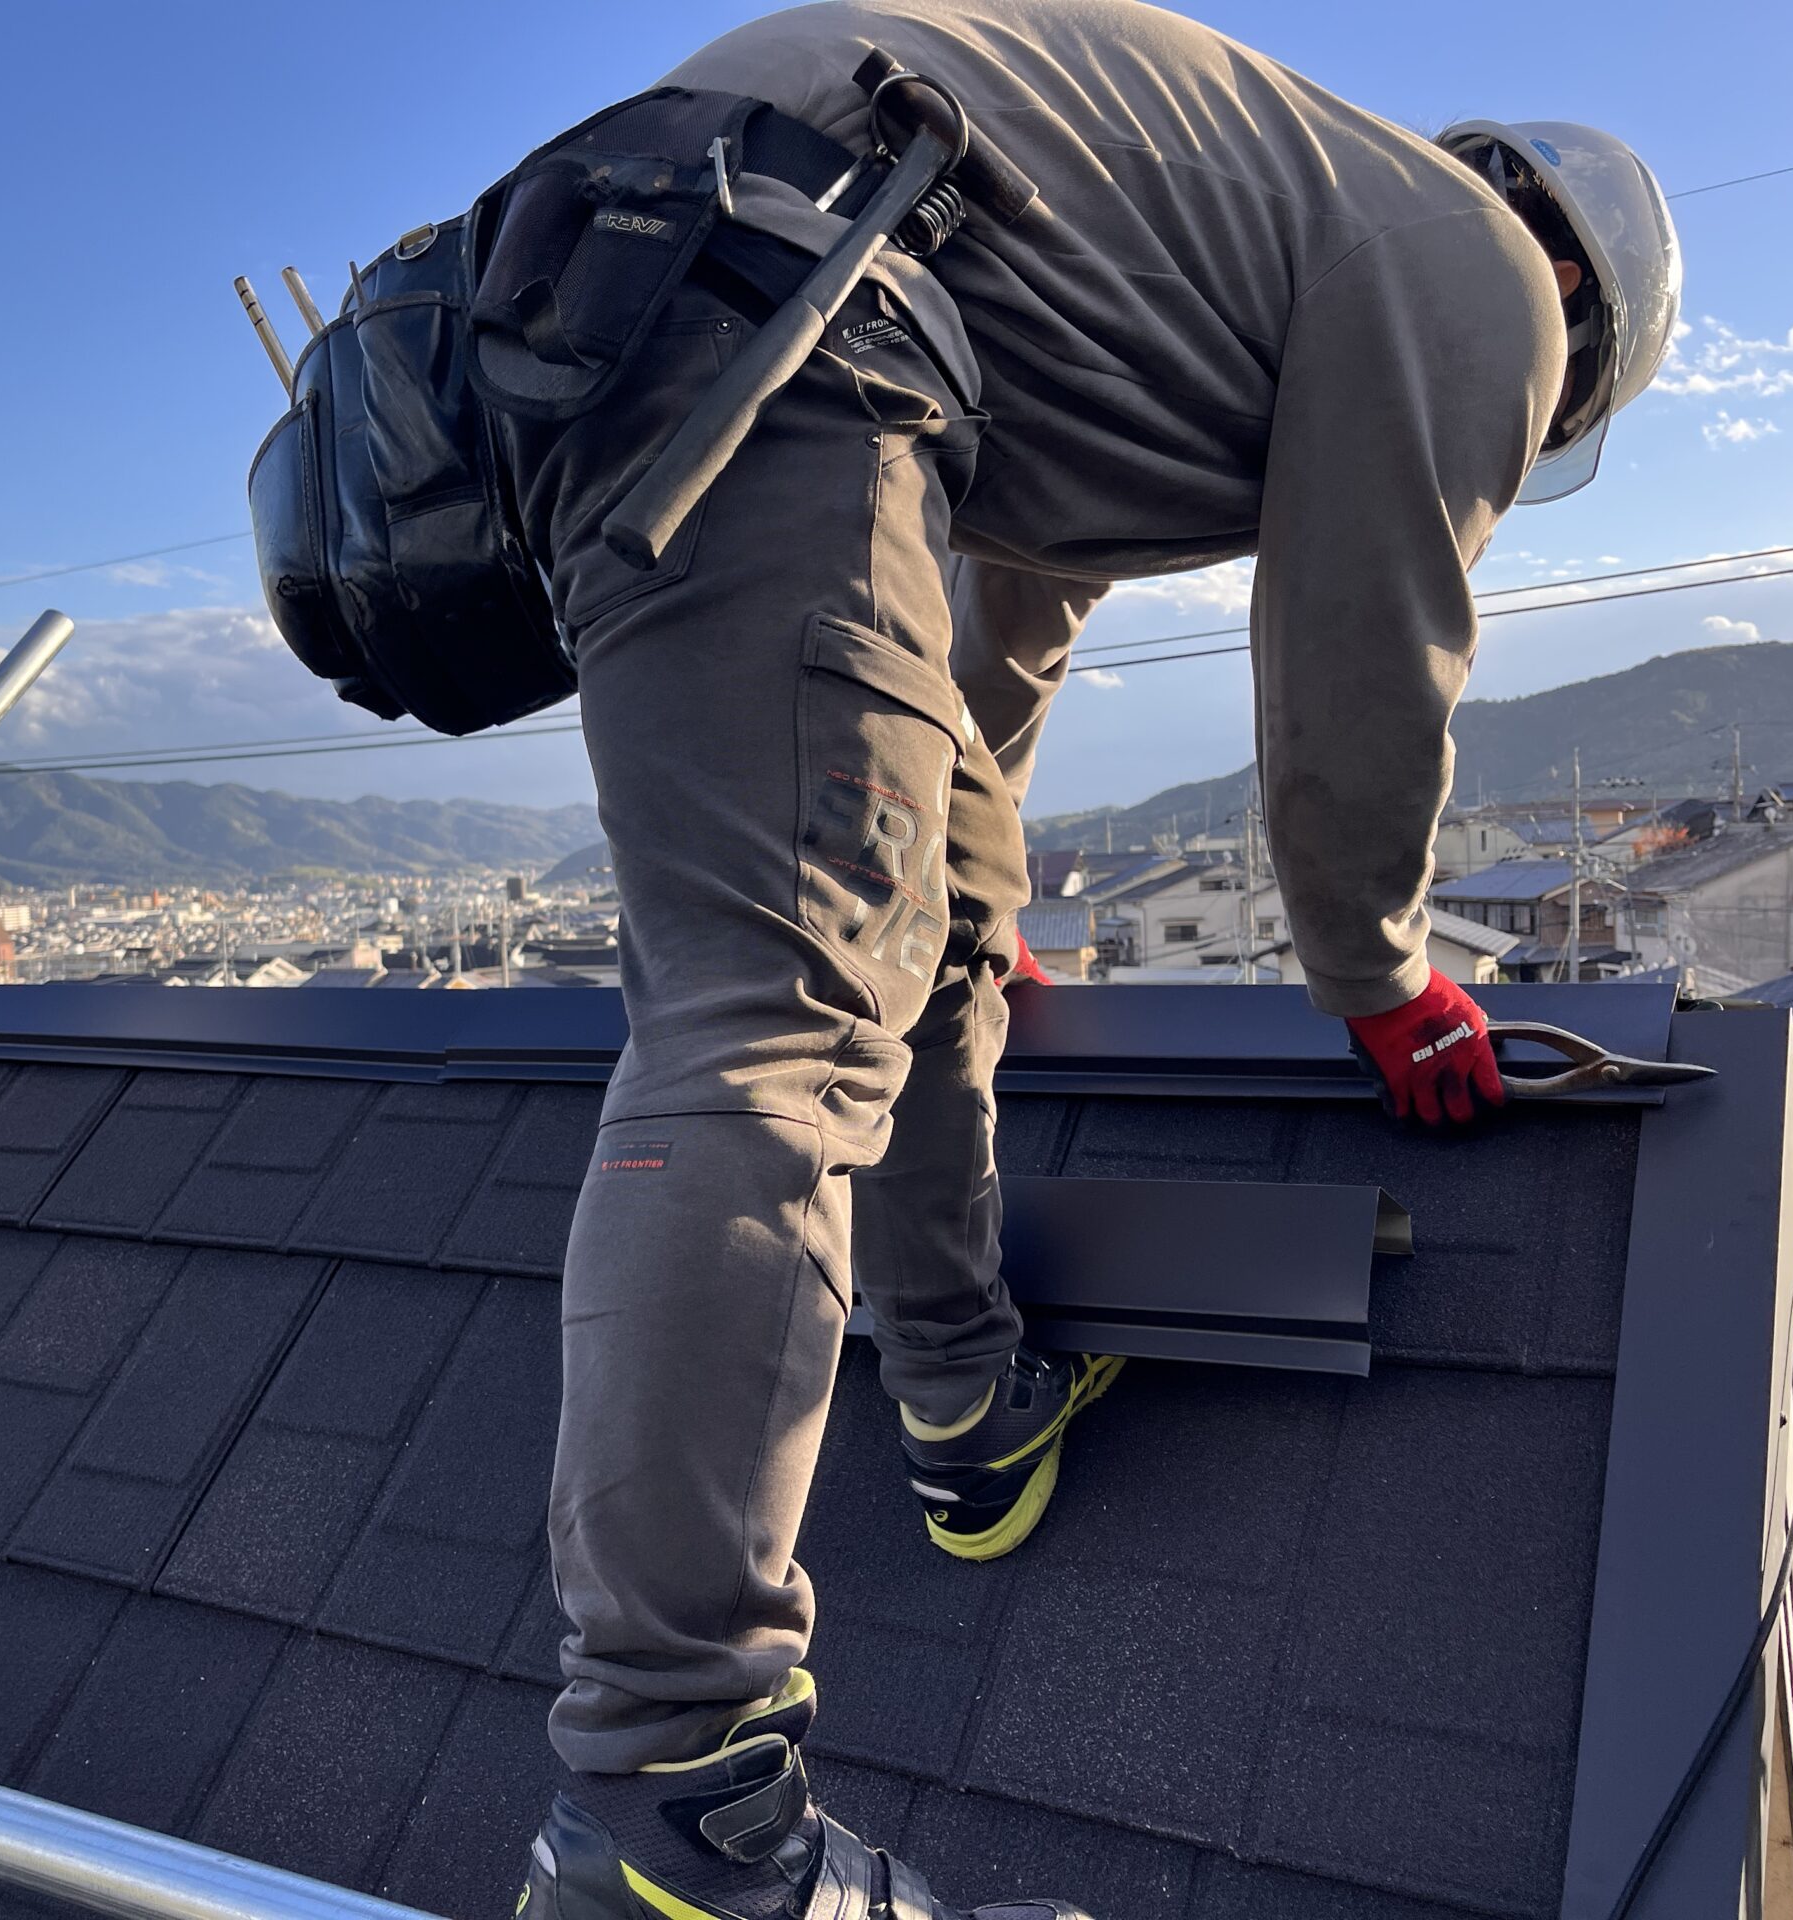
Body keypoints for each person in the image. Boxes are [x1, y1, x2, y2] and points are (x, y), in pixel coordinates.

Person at [483, 5, 1683, 1915]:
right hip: (783, 293)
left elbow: (1019, 593)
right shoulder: (1479, 275)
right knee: (773, 1023)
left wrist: (990, 875)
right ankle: (673, 1802)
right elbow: (1370, 644)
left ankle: (959, 1388)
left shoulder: (1214, 245)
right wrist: (1379, 976)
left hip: (649, 267)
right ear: (1580, 310)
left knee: (917, 933)